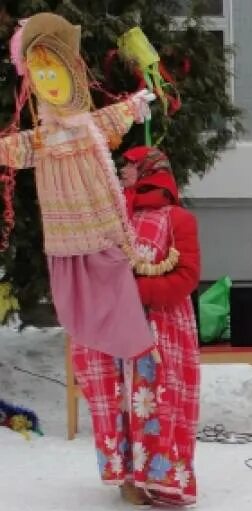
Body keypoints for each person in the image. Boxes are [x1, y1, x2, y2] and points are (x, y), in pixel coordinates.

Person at [0, 13, 157, 360]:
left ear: (72, 75)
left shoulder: (88, 125)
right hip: (67, 230)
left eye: (55, 72)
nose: (50, 82)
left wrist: (132, 107)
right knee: (79, 290)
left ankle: (133, 344)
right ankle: (109, 344)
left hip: (103, 225)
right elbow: (14, 147)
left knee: (114, 272)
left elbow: (110, 117)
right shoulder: (40, 138)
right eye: (42, 75)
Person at [70, 147, 200, 507]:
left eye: (128, 165)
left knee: (158, 400)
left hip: (161, 325)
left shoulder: (178, 219)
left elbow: (186, 276)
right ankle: (129, 476)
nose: (122, 171)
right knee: (123, 398)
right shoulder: (114, 217)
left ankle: (161, 476)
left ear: (147, 170)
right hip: (118, 326)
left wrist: (134, 292)